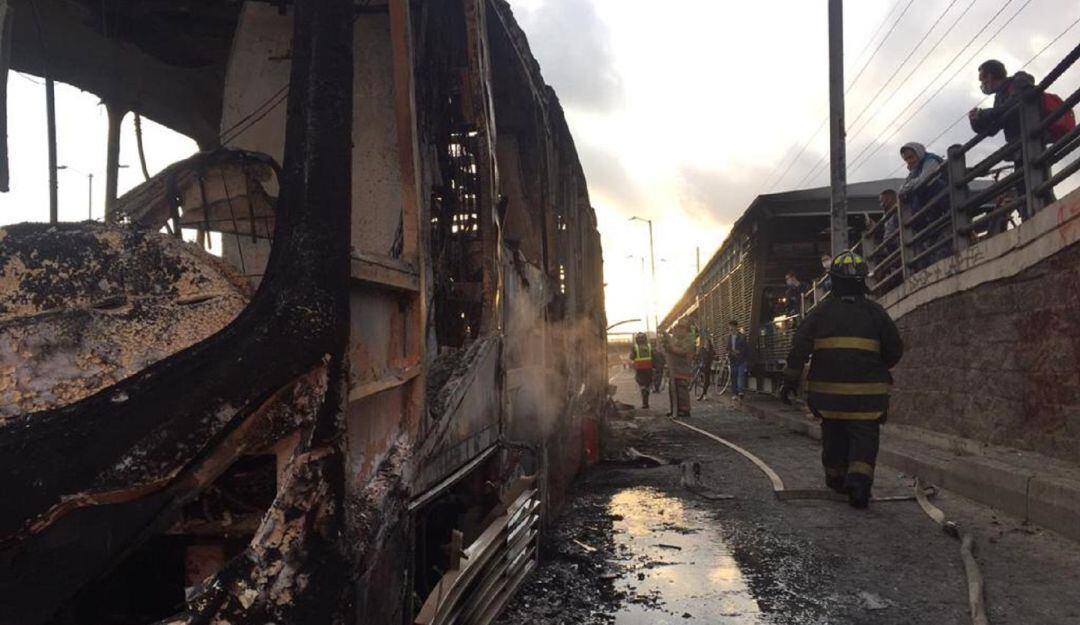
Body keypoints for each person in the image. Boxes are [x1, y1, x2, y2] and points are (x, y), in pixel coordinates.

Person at [780, 252, 904, 509]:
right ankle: (859, 486)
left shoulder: (820, 313)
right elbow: (894, 350)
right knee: (865, 440)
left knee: (833, 436)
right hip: (868, 399)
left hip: (829, 397)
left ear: (833, 281)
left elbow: (799, 348)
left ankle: (836, 479)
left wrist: (789, 382)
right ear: (862, 281)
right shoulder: (876, 313)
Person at [663, 318, 695, 417]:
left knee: (682, 391)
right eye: (677, 329)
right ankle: (675, 409)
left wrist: (671, 348)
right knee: (673, 391)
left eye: (680, 329)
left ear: (685, 329)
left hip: (682, 368)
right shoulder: (677, 339)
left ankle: (684, 410)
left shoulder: (689, 339)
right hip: (674, 369)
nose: (677, 331)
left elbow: (683, 352)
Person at [629, 332, 653, 409]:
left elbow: (632, 357)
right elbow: (654, 356)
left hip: (640, 369)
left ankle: (644, 401)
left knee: (641, 384)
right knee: (647, 384)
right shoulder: (650, 346)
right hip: (649, 368)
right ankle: (646, 401)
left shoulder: (635, 347)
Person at [726, 320, 748, 400]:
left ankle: (740, 392)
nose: (730, 330)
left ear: (735, 327)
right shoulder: (729, 337)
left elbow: (745, 348)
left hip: (741, 359)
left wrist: (739, 351)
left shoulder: (742, 336)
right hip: (733, 359)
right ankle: (735, 393)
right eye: (729, 329)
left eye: (732, 328)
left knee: (740, 375)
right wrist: (730, 352)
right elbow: (727, 348)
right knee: (734, 376)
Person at [696, 336, 716, 400]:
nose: (706, 345)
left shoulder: (711, 351)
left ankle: (704, 393)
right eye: (705, 343)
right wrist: (699, 362)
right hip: (702, 367)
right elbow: (698, 357)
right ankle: (703, 393)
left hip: (708, 367)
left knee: (707, 382)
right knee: (705, 381)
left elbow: (715, 357)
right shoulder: (702, 350)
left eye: (708, 344)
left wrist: (716, 359)